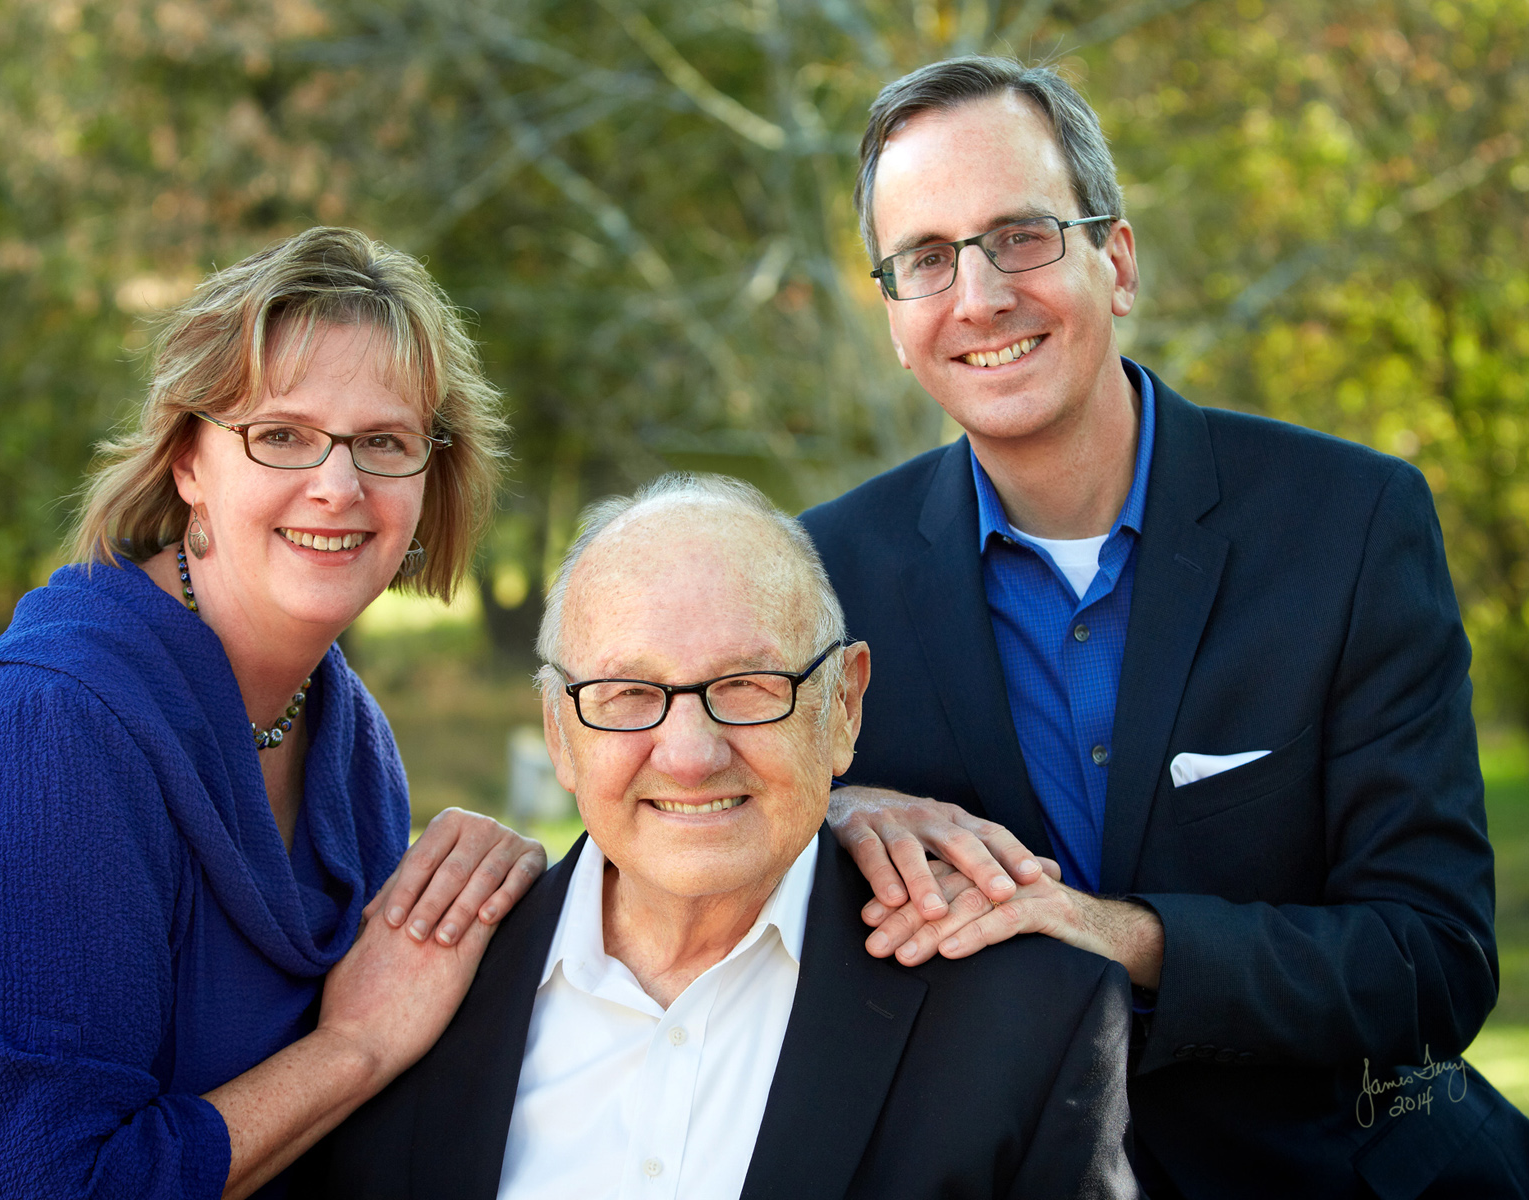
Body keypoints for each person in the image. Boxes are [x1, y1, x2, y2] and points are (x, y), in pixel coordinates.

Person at [798, 55, 1529, 1197]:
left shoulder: (1350, 524)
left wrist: (1122, 936)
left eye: (1022, 234)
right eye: (926, 260)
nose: (980, 295)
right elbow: (693, 842)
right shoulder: (822, 576)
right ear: (896, 319)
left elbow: (1432, 962)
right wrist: (826, 808)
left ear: (1117, 261)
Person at [0, 227, 549, 1200]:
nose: (339, 486)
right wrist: (355, 1045)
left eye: (384, 443)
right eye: (283, 435)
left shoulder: (351, 752)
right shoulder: (51, 734)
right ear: (189, 464)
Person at [298, 474, 1138, 1200]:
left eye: (747, 685)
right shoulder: (410, 990)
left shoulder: (1029, 1020)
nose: (692, 756)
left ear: (843, 706)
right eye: (627, 692)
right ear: (558, 732)